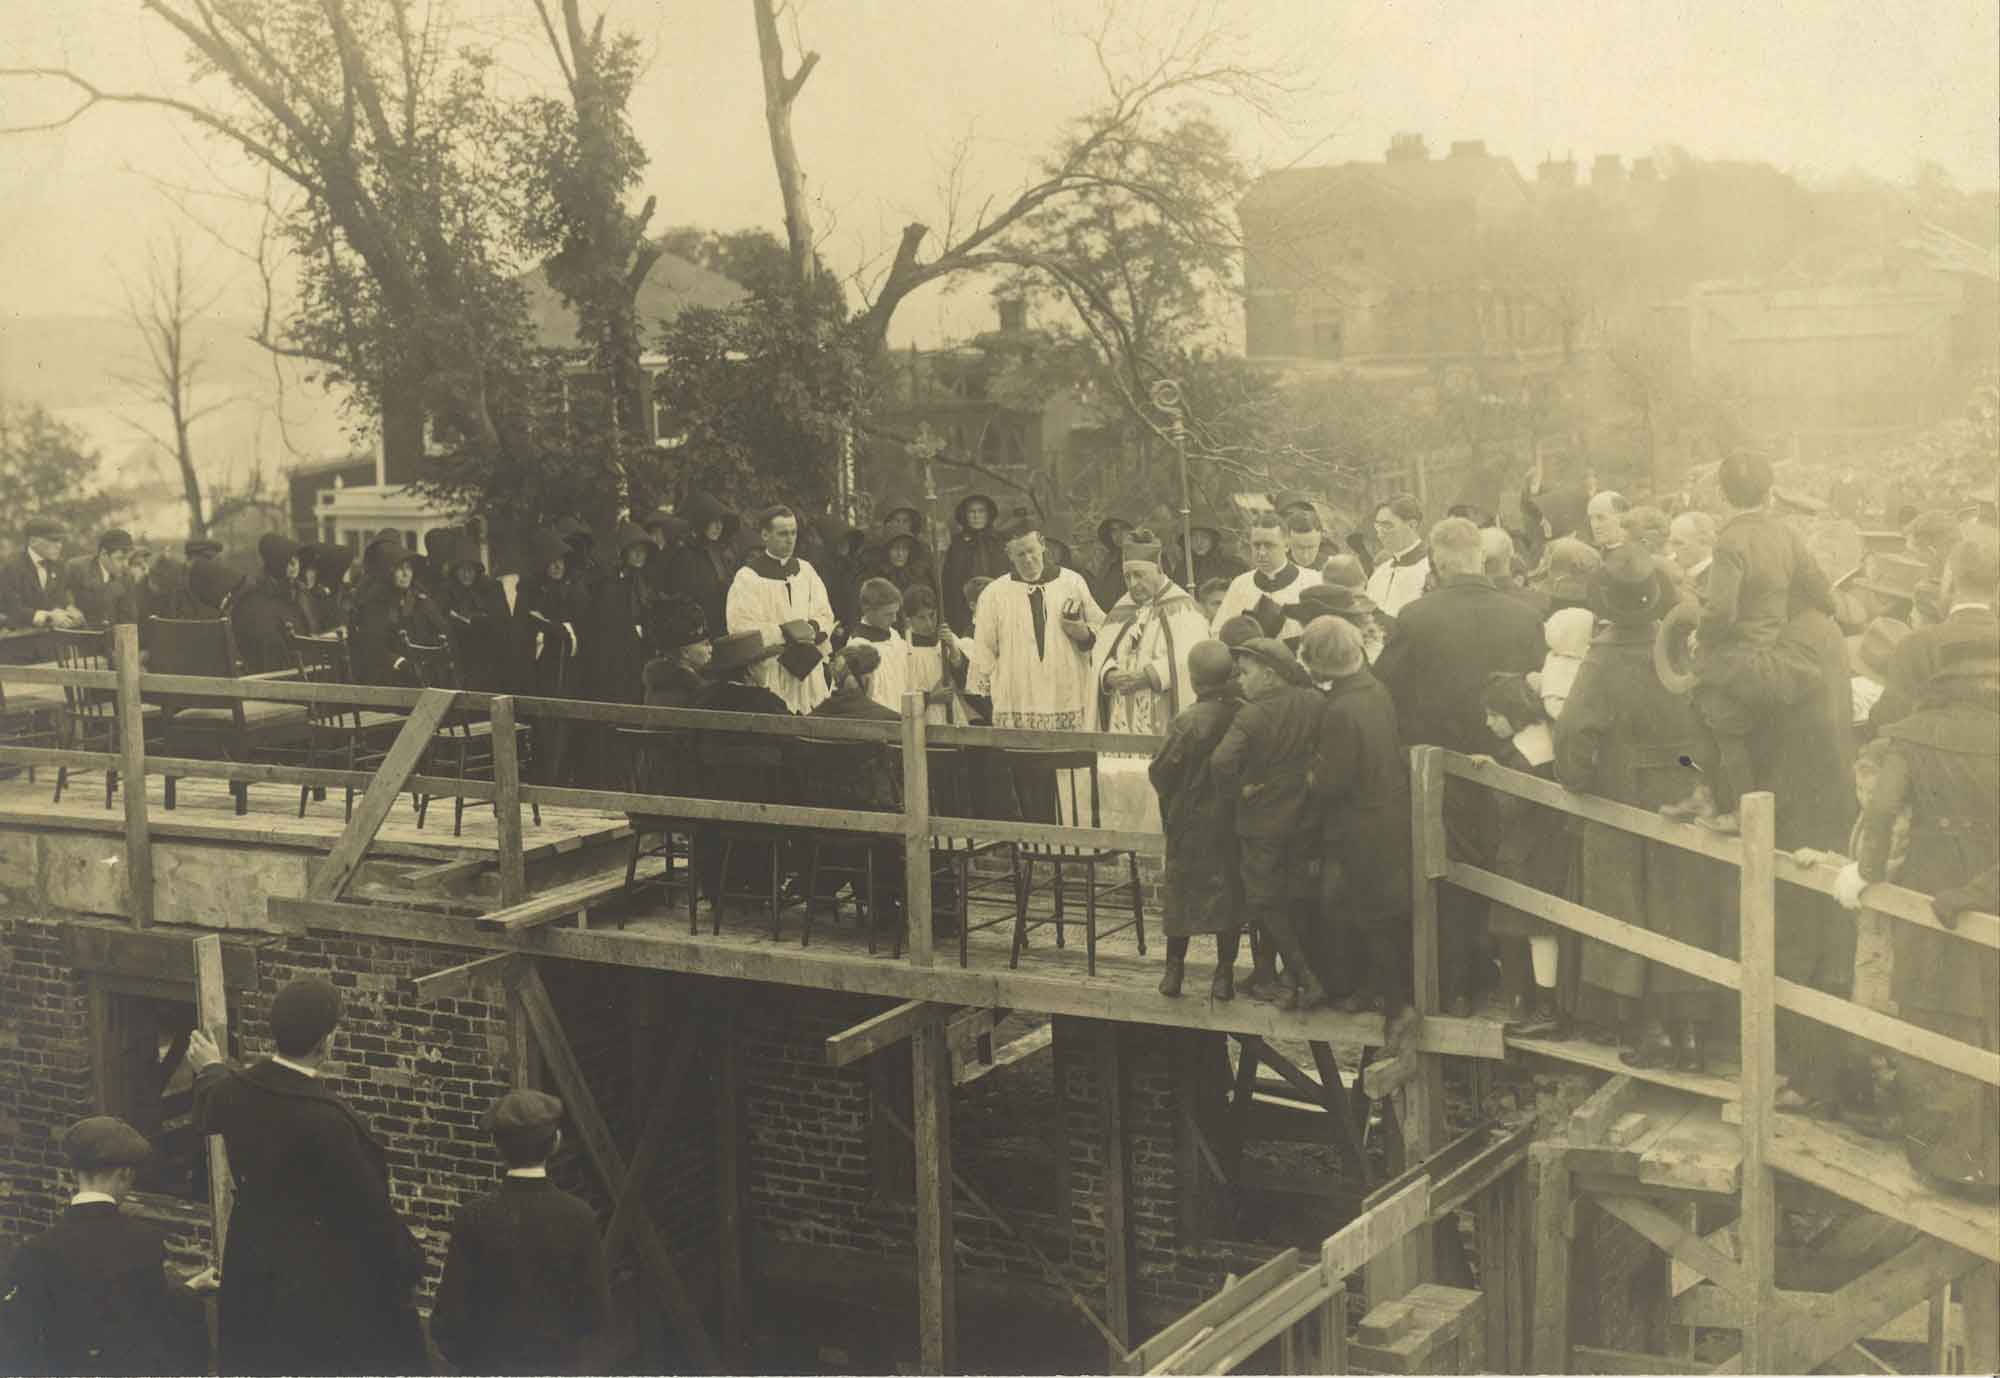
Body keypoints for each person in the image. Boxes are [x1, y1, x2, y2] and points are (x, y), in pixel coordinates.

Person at [1834, 531, 1998, 1191]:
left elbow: (1879, 813)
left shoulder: (1909, 728)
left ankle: (1950, 1161)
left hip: (1934, 869)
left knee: (1936, 1004)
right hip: (1992, 865)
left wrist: (1866, 874)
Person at [186, 978, 426, 1376]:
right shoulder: (331, 1121)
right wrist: (409, 1261)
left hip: (254, 1266)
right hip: (317, 1283)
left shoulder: (234, 1092)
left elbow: (216, 1097)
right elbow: (371, 1216)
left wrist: (210, 1067)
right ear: (325, 1042)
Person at [1557, 547, 1724, 1068]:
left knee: (1627, 907)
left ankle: (1649, 1032)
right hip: (1684, 789)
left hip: (1622, 795)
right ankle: (1692, 1038)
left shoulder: (1604, 656)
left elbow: (1574, 732)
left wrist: (1578, 782)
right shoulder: (1680, 647)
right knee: (1683, 909)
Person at [1374, 516, 1545, 1011]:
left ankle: (1460, 986)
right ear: (1480, 558)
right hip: (1514, 768)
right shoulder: (1524, 616)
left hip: (1444, 771)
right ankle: (1519, 990)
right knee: (1511, 870)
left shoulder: (1417, 617)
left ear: (1437, 560)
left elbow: (1386, 687)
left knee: (1449, 874)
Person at [1664, 452, 1834, 834]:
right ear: (1770, 492)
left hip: (1737, 656)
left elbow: (1722, 611)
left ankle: (1728, 802)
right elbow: (1822, 591)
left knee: (1706, 711)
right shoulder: (1787, 533)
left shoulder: (1730, 540)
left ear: (1724, 497)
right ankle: (1708, 792)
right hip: (1773, 649)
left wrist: (1699, 635)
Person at [0, 1116, 203, 1376]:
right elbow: (156, 1319)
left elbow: (20, 1344)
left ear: (75, 1173)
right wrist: (190, 1290)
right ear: (125, 1174)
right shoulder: (145, 1241)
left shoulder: (35, 1250)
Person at [430, 1090, 611, 1376]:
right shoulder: (579, 1216)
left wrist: (477, 1365)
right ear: (556, 1143)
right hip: (556, 1366)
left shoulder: (472, 1218)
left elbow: (448, 1320)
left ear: (497, 1149)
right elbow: (595, 1314)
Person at [1301, 616, 1412, 1019]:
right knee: (1379, 911)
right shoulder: (1375, 690)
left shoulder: (1340, 710)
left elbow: (1331, 782)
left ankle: (1383, 999)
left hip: (1357, 827)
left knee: (1355, 910)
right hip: (1388, 815)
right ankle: (1381, 994)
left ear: (1318, 662)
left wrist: (1309, 773)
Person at [1212, 637, 1324, 1010]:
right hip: (1305, 817)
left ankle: (1304, 976)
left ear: (1270, 675)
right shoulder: (1313, 702)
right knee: (1293, 894)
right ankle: (1285, 978)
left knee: (1263, 898)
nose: (1240, 682)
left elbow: (1221, 762)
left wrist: (1238, 793)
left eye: (1246, 673)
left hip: (1262, 821)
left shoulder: (1252, 715)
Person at [968, 519, 1103, 822]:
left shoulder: (1072, 582)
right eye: (1020, 555)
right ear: (1008, 555)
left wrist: (1081, 632)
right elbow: (983, 649)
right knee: (1027, 775)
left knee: (1071, 772)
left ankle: (1073, 838)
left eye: (1032, 551)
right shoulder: (995, 593)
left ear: (1042, 544)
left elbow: (1100, 629)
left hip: (1065, 691)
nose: (1028, 560)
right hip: (1020, 699)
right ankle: (1034, 842)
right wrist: (989, 695)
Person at [1473, 672, 1572, 1036]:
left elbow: (1510, 807)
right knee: (1538, 930)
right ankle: (1541, 1003)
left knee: (1537, 930)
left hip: (1531, 850)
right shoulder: (1542, 739)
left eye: (1493, 714)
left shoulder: (1524, 756)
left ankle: (1544, 1010)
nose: (1488, 722)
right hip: (1547, 844)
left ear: (1512, 713)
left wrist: (1494, 779)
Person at [1150, 640, 1243, 1000]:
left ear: (1192, 679)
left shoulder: (1186, 721)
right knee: (1229, 897)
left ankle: (1173, 973)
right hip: (1229, 823)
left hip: (1188, 823)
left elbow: (1161, 772)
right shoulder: (1240, 715)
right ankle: (1224, 976)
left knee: (1181, 893)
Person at [1087, 529, 1210, 735]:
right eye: (1127, 577)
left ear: (1159, 569)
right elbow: (1099, 654)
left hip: (1162, 710)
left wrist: (1148, 675)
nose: (1133, 584)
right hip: (1120, 713)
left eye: (1139, 575)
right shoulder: (1121, 609)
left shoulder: (1185, 609)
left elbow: (1190, 658)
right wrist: (1109, 675)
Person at [725, 505, 834, 714]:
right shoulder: (748, 578)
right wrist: (786, 632)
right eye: (782, 533)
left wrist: (812, 628)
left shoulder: (805, 571)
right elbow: (741, 627)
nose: (790, 539)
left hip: (808, 669)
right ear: (765, 535)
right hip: (772, 669)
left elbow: (825, 613)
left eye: (793, 533)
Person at [349, 542, 448, 685]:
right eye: (400, 569)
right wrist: (398, 661)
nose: (406, 573)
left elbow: (440, 628)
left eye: (409, 568)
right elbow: (373, 645)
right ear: (389, 572)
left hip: (423, 666)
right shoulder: (377, 601)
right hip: (390, 672)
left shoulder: (419, 597)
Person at [1212, 513, 1322, 641]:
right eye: (1256, 545)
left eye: (1269, 545)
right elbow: (1218, 633)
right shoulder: (1241, 584)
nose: (1262, 553)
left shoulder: (1313, 581)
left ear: (1286, 545)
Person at [436, 532, 514, 691]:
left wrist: (479, 621)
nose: (466, 574)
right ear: (455, 571)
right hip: (459, 655)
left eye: (470, 569)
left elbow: (504, 621)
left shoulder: (492, 589)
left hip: (488, 656)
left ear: (477, 571)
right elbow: (439, 620)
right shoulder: (446, 590)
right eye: (461, 570)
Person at [664, 492, 741, 638]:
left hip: (724, 626)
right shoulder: (685, 555)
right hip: (699, 633)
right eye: (713, 521)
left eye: (721, 521)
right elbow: (683, 598)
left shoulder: (718, 553)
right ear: (702, 522)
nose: (719, 526)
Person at [229, 533, 302, 674]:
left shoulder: (294, 594)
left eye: (297, 560)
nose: (296, 566)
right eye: (289, 561)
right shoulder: (255, 601)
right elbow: (269, 652)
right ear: (277, 563)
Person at [941, 493, 1009, 637]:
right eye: (972, 512)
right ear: (964, 515)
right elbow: (951, 581)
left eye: (981, 511)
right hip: (965, 609)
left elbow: (1006, 574)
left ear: (988, 514)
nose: (976, 516)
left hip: (998, 603)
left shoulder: (1000, 542)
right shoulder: (957, 544)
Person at [1, 516, 83, 631]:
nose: (59, 545)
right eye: (53, 540)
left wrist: (69, 609)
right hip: (18, 637)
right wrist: (48, 616)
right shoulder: (12, 567)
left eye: (60, 541)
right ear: (33, 541)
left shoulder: (60, 566)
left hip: (49, 637)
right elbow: (11, 607)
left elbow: (59, 599)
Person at [846, 577, 910, 714]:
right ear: (868, 610)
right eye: (888, 614)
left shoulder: (894, 636)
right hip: (877, 722)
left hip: (902, 717)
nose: (894, 619)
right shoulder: (858, 646)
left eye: (895, 613)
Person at [1363, 494, 1430, 618]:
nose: (1380, 534)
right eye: (1377, 526)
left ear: (1412, 525)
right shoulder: (1380, 572)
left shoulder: (1429, 569)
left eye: (1387, 526)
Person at [641, 596, 712, 709]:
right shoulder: (697, 693)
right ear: (685, 653)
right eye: (706, 644)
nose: (711, 649)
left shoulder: (658, 685)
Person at [64, 528, 135, 627]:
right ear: (103, 554)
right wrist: (68, 607)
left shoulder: (127, 577)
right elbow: (58, 597)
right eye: (120, 559)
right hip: (79, 634)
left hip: (108, 637)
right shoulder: (76, 568)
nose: (126, 564)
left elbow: (127, 619)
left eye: (128, 559)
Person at [1537, 606, 1596, 722]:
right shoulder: (1558, 669)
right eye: (1593, 631)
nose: (1597, 635)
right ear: (1578, 636)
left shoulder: (1575, 653)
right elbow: (1557, 710)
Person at [1665, 510, 1717, 601]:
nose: (1672, 552)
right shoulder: (1668, 573)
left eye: (1678, 543)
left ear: (1704, 542)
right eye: (1670, 543)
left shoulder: (1719, 578)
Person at [1088, 516, 1135, 611]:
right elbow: (1100, 593)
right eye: (1113, 530)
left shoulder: (1152, 558)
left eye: (1123, 528)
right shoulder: (1109, 560)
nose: (1118, 534)